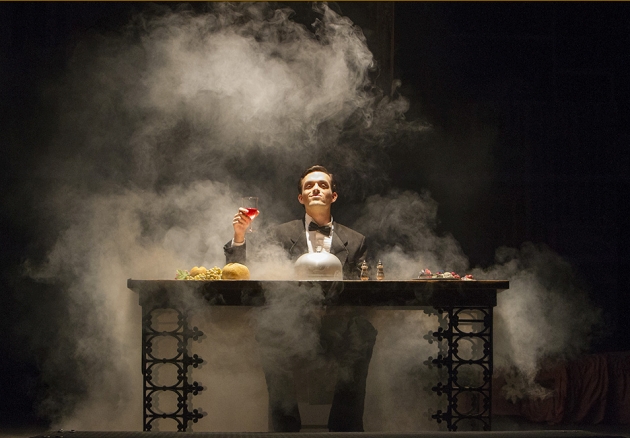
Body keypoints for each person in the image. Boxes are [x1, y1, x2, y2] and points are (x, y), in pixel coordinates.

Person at [224, 165, 377, 432]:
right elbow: (244, 273)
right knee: (270, 329)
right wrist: (239, 236)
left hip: (338, 327)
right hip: (290, 324)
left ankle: (345, 430)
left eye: (323, 185)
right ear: (301, 198)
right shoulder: (279, 235)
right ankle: (284, 430)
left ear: (333, 196)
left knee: (362, 331)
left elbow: (361, 290)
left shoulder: (356, 240)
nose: (315, 189)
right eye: (309, 186)